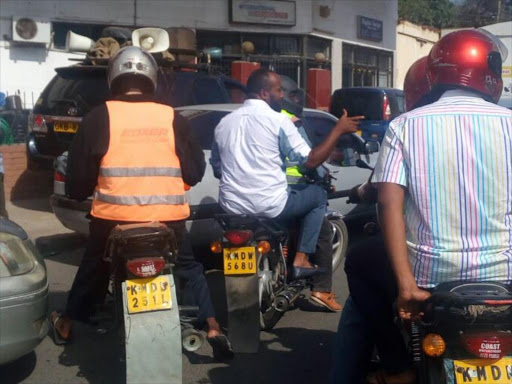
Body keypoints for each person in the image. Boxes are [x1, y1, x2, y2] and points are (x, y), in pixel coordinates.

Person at [50, 46, 233, 361]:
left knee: (95, 265)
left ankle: (66, 323)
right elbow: (193, 170)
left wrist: (80, 192)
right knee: (189, 267)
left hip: (113, 221)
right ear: (150, 79)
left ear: (114, 78)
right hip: (168, 221)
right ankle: (213, 325)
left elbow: (78, 177)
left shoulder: (99, 116)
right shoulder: (170, 116)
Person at [375, 29, 512, 320]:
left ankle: (395, 364)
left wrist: (406, 286)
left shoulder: (404, 125)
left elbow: (388, 204)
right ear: (488, 72)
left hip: (431, 277)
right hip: (505, 275)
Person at [331, 55, 435, 384]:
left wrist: (362, 191)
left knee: (358, 276)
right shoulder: (502, 125)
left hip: (427, 263)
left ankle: (395, 367)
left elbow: (382, 189)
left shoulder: (408, 129)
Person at [211, 68, 363, 281]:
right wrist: (337, 130)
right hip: (271, 205)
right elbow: (310, 161)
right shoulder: (278, 121)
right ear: (264, 93)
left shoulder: (224, 123)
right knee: (318, 196)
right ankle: (301, 259)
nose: (281, 95)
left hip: (231, 207)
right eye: (278, 90)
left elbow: (217, 167)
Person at [280, 97, 341, 312]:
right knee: (324, 232)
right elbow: (309, 161)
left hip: (258, 197)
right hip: (295, 192)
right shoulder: (291, 126)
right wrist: (324, 178)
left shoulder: (256, 122)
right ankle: (322, 290)